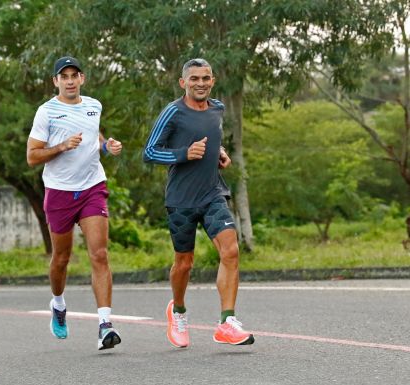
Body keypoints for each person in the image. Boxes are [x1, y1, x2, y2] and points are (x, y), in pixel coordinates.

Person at [143, 58, 254, 348]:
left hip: (212, 193)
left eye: (205, 78)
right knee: (184, 263)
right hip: (181, 200)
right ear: (183, 83)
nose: (200, 83)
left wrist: (220, 154)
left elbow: (212, 139)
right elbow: (150, 152)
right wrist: (183, 154)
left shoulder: (217, 108)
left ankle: (227, 322)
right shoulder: (173, 112)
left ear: (213, 81)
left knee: (230, 250)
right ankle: (177, 310)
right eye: (194, 79)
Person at [27, 56, 123, 350]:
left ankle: (105, 325)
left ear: (82, 78)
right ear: (55, 81)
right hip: (59, 191)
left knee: (100, 254)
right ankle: (58, 303)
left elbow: (95, 135)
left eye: (74, 75)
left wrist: (107, 146)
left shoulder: (94, 106)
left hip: (93, 186)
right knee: (61, 259)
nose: (69, 80)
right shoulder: (47, 112)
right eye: (63, 76)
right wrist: (61, 146)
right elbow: (32, 156)